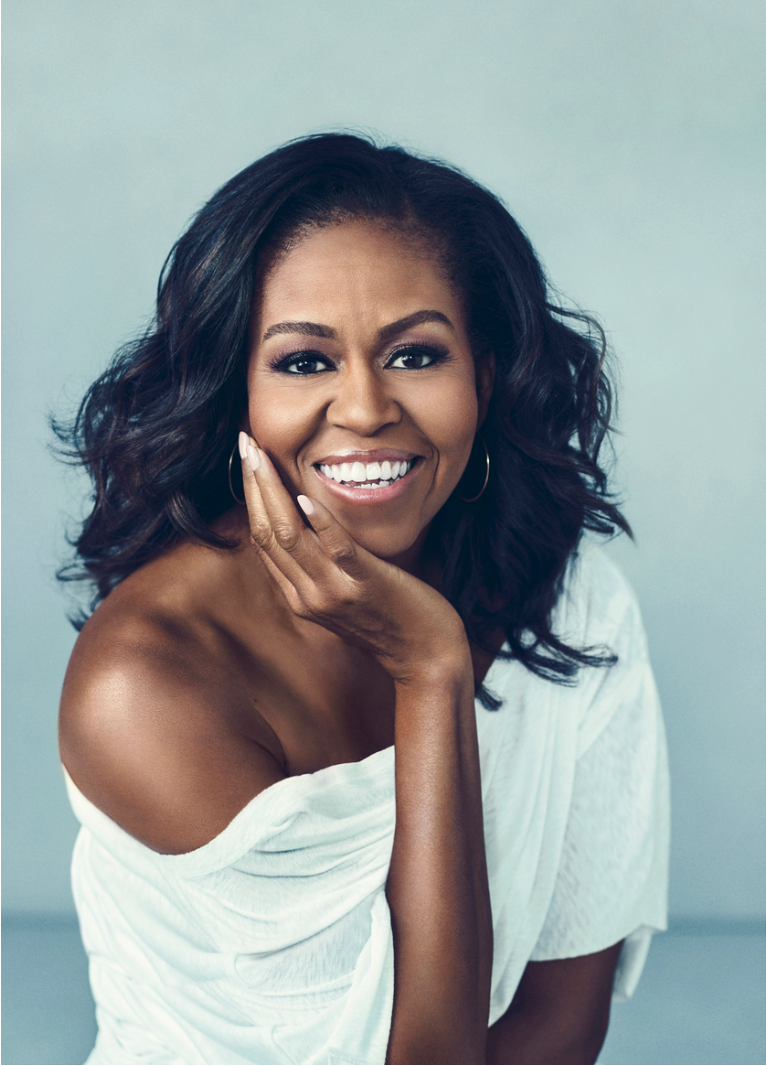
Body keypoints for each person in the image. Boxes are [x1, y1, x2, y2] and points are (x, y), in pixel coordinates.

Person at [57, 132, 669, 1066]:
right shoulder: (147, 687)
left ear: (487, 376)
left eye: (416, 355)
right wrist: (431, 672)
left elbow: (560, 1020)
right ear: (235, 395)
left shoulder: (577, 608)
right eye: (304, 362)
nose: (366, 408)